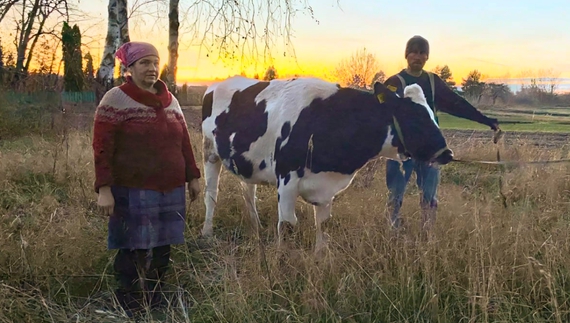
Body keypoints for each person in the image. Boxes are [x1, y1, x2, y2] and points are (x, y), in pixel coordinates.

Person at [92, 41, 201, 316]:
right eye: (144, 63)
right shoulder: (115, 99)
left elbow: (184, 142)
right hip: (132, 189)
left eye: (155, 62)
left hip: (171, 188)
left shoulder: (170, 100)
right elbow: (102, 147)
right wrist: (104, 188)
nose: (152, 68)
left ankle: (155, 298)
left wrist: (193, 177)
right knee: (132, 248)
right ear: (129, 68)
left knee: (163, 248)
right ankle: (129, 301)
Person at [383, 35, 500, 231]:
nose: (417, 56)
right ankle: (392, 231)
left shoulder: (432, 81)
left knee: (429, 197)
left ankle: (428, 234)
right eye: (413, 52)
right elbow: (379, 113)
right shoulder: (395, 82)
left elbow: (458, 105)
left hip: (431, 150)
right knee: (395, 195)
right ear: (406, 55)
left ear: (427, 57)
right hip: (401, 150)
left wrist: (487, 121)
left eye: (422, 52)